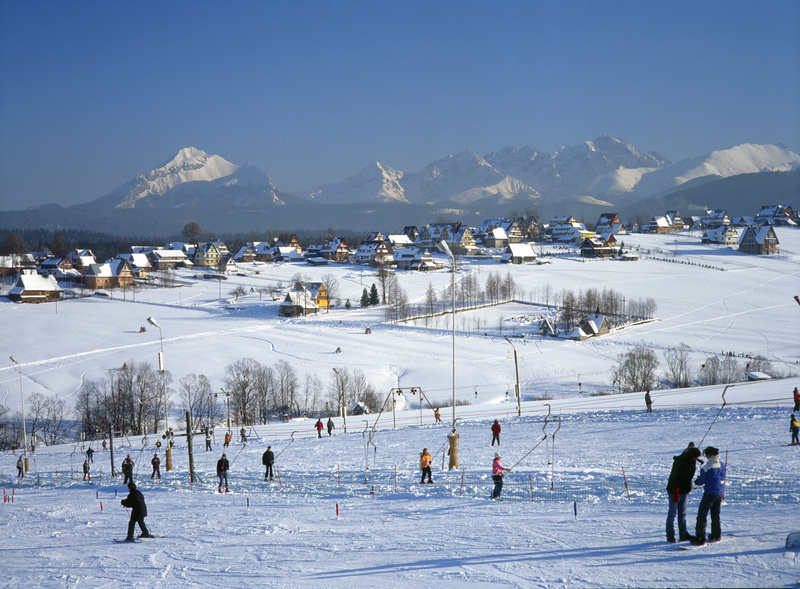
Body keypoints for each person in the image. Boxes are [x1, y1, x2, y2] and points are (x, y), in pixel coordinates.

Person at [665, 446, 702, 543]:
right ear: (691, 456)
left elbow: (688, 477)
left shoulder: (692, 462)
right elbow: (674, 476)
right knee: (672, 514)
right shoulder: (679, 462)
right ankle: (670, 535)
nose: (697, 459)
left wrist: (688, 488)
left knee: (683, 513)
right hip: (675, 490)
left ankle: (683, 534)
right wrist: (675, 489)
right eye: (696, 457)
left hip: (684, 491)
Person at [691, 447, 727, 545]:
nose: (705, 457)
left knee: (702, 515)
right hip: (719, 493)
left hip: (709, 494)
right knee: (715, 514)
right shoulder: (722, 465)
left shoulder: (706, 467)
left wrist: (697, 481)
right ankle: (716, 534)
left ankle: (700, 537)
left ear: (709, 455)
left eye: (706, 454)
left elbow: (701, 482)